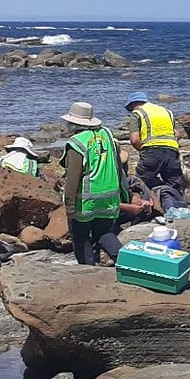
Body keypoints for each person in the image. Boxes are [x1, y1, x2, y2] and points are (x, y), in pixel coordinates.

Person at [59, 102, 129, 266]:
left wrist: (69, 207)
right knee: (104, 233)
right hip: (110, 196)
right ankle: (125, 261)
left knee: (81, 238)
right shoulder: (108, 135)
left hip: (86, 200)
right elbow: (119, 166)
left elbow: (73, 178)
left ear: (73, 123)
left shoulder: (77, 143)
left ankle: (88, 272)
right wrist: (125, 193)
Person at [126, 91, 187, 199]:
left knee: (140, 182)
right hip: (171, 150)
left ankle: (145, 207)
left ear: (132, 105)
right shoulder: (166, 112)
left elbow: (135, 139)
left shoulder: (137, 114)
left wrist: (143, 149)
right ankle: (176, 206)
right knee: (174, 182)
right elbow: (178, 133)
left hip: (151, 150)